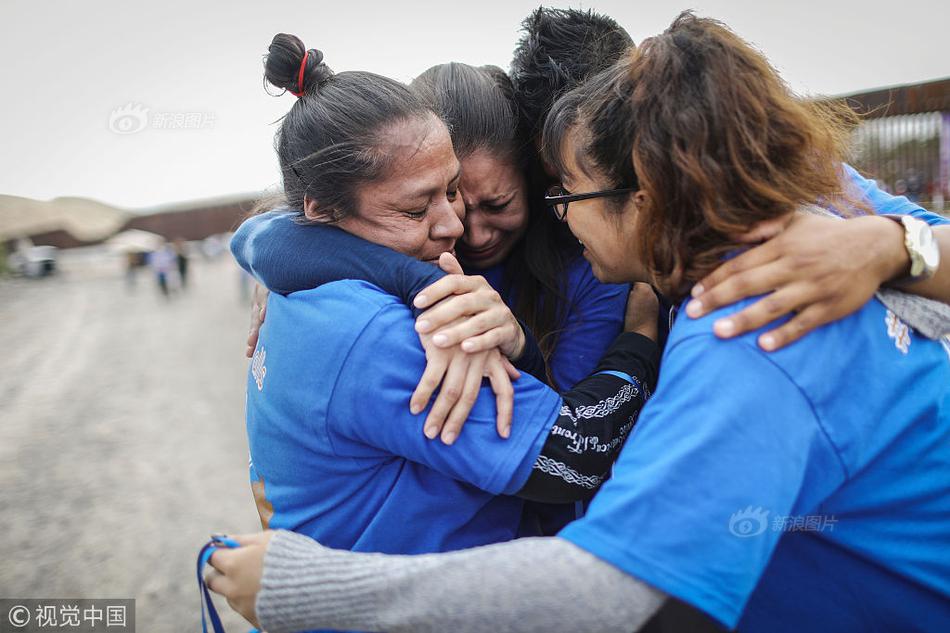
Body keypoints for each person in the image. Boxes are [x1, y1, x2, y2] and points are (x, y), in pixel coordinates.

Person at [208, 14, 950, 633]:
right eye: (429, 204)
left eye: (561, 192)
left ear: (649, 185)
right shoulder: (793, 211)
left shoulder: (751, 323)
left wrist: (894, 244)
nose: (460, 229)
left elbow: (605, 583)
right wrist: (290, 247)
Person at [231, 31, 662, 633]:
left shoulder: (316, 290)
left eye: (453, 189)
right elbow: (570, 458)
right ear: (320, 212)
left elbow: (259, 235)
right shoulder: (394, 332)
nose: (454, 224)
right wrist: (643, 333)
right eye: (416, 209)